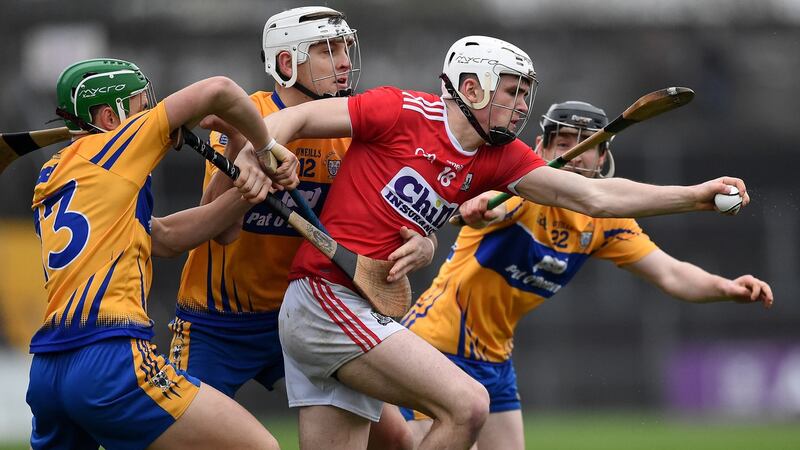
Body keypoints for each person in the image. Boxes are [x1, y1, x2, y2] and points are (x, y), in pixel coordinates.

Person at [260, 34, 753, 450]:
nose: (522, 106)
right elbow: (300, 118)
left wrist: (695, 196)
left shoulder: (501, 160)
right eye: (512, 92)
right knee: (468, 405)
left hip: (364, 306)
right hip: (327, 299)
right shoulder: (401, 110)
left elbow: (594, 198)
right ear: (471, 88)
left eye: (526, 94)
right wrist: (258, 148)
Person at [397, 100, 775, 449]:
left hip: (494, 359)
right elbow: (481, 206)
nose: (572, 155)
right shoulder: (522, 191)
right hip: (435, 344)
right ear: (540, 148)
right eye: (562, 142)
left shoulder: (604, 224)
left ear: (601, 158)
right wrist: (476, 206)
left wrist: (727, 288)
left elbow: (671, 274)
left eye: (585, 145)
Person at [167, 7, 420, 449]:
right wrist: (244, 157)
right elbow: (219, 231)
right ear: (287, 63)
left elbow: (398, 218)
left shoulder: (354, 131)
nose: (344, 61)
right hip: (217, 322)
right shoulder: (246, 115)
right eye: (327, 50)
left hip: (308, 314)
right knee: (172, 437)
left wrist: (425, 242)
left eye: (345, 48)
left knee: (398, 440)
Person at [25, 57, 298, 450]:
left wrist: (247, 194)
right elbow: (218, 89)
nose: (152, 113)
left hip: (49, 370)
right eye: (141, 105)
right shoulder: (112, 149)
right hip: (111, 357)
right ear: (108, 117)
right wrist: (267, 146)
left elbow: (166, 237)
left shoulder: (57, 178)